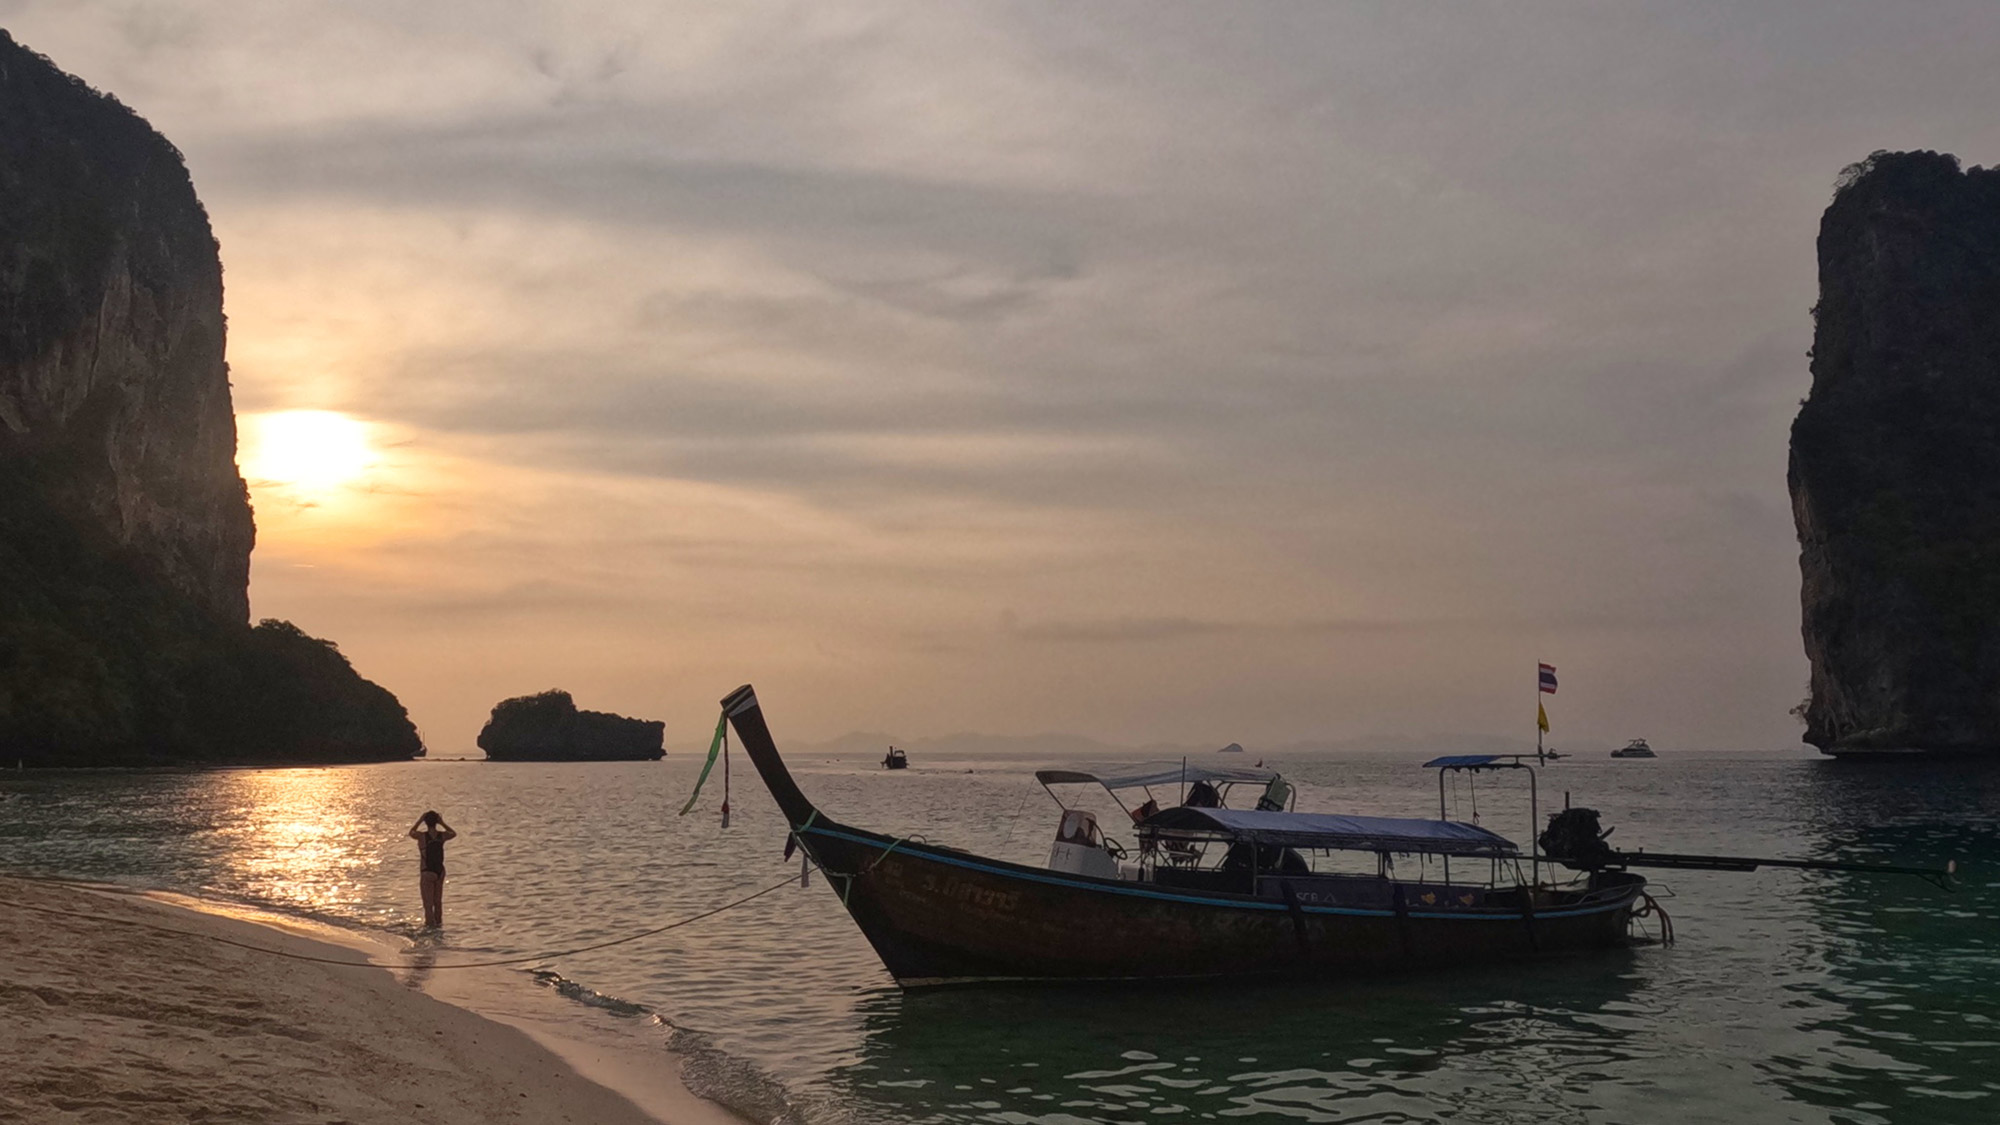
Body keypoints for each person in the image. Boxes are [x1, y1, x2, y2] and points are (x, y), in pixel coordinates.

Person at [408, 811, 456, 927]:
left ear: (426, 822)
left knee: (428, 904)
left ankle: (430, 928)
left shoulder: (422, 837)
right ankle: (439, 926)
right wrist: (442, 823)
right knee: (438, 902)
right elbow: (453, 833)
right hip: (440, 871)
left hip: (427, 872)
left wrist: (420, 820)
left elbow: (411, 833)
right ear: (436, 822)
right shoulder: (442, 836)